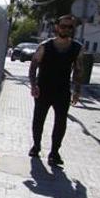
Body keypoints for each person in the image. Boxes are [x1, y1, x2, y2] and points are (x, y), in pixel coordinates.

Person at [28, 14, 84, 166]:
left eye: (70, 27)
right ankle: (36, 146)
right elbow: (33, 66)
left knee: (60, 122)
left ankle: (54, 153)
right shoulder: (45, 46)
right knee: (38, 120)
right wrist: (33, 85)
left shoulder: (76, 48)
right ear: (57, 27)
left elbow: (78, 70)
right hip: (43, 89)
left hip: (62, 90)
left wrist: (77, 90)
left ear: (73, 29)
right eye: (63, 26)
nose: (66, 29)